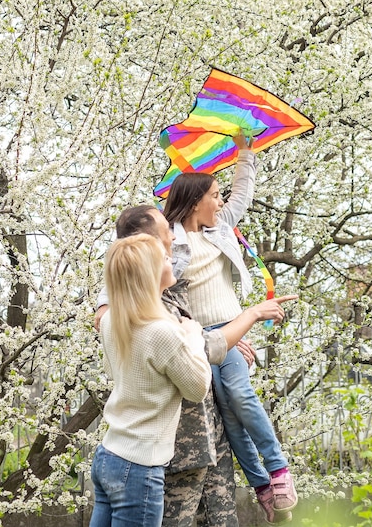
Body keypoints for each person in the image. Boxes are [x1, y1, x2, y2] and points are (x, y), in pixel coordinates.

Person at [95, 205, 297, 526]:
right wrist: (229, 326)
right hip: (171, 453)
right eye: (166, 233)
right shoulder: (150, 318)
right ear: (147, 251)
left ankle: (265, 481)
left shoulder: (148, 305)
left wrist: (216, 336)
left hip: (191, 444)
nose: (174, 238)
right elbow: (197, 376)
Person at [163, 133, 298, 524]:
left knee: (240, 395)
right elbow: (161, 298)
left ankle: (277, 471)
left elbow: (243, 193)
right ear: (195, 201)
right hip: (198, 340)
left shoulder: (220, 226)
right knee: (228, 415)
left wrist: (245, 152)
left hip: (231, 329)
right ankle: (261, 487)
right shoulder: (168, 241)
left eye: (220, 195)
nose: (221, 201)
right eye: (214, 195)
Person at [89, 233, 212, 527]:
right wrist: (194, 338)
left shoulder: (112, 320)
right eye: (165, 258)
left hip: (109, 455)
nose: (172, 259)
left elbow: (111, 369)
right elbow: (197, 389)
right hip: (139, 467)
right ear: (150, 273)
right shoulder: (161, 332)